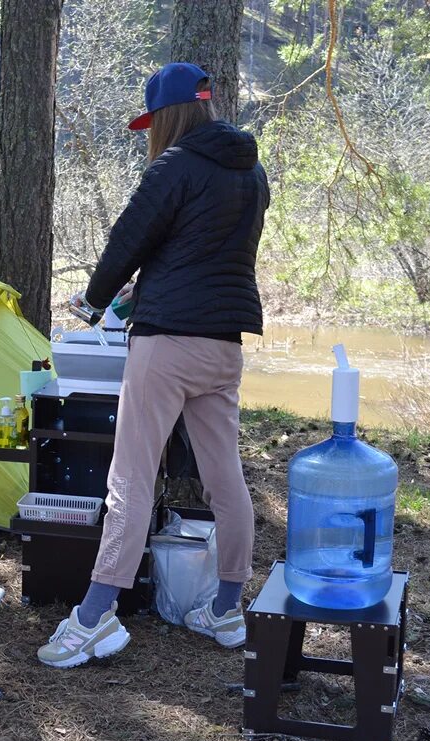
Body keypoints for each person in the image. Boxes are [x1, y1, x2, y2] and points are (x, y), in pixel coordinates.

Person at [38, 62, 270, 669]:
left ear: (166, 116)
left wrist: (92, 301)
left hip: (166, 347)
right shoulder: (251, 172)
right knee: (225, 478)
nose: (149, 134)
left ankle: (93, 616)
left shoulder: (174, 166)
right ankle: (226, 607)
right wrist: (137, 294)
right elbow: (205, 255)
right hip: (223, 347)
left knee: (129, 480)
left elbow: (129, 238)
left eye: (151, 123)